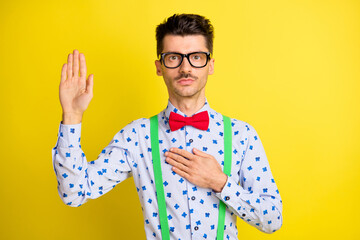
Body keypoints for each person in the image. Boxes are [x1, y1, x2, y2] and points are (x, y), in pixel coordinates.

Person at [52, 13, 283, 239]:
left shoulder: (242, 135)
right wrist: (72, 116)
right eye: (174, 57)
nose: (185, 67)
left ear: (210, 65)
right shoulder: (137, 136)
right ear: (159, 66)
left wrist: (220, 182)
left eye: (196, 57)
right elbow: (74, 192)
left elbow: (272, 219)